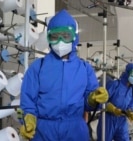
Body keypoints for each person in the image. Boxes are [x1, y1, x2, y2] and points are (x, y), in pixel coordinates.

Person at [19, 9, 109, 141]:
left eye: (65, 36)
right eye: (55, 37)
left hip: (75, 130)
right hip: (44, 130)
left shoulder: (84, 69)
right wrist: (29, 118)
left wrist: (93, 99)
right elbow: (28, 100)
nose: (60, 42)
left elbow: (88, 105)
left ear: (74, 38)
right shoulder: (38, 67)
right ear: (49, 39)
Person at [96, 63, 133, 141]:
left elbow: (130, 106)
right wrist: (111, 108)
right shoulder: (115, 85)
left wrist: (129, 112)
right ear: (128, 73)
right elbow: (100, 101)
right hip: (108, 119)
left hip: (122, 120)